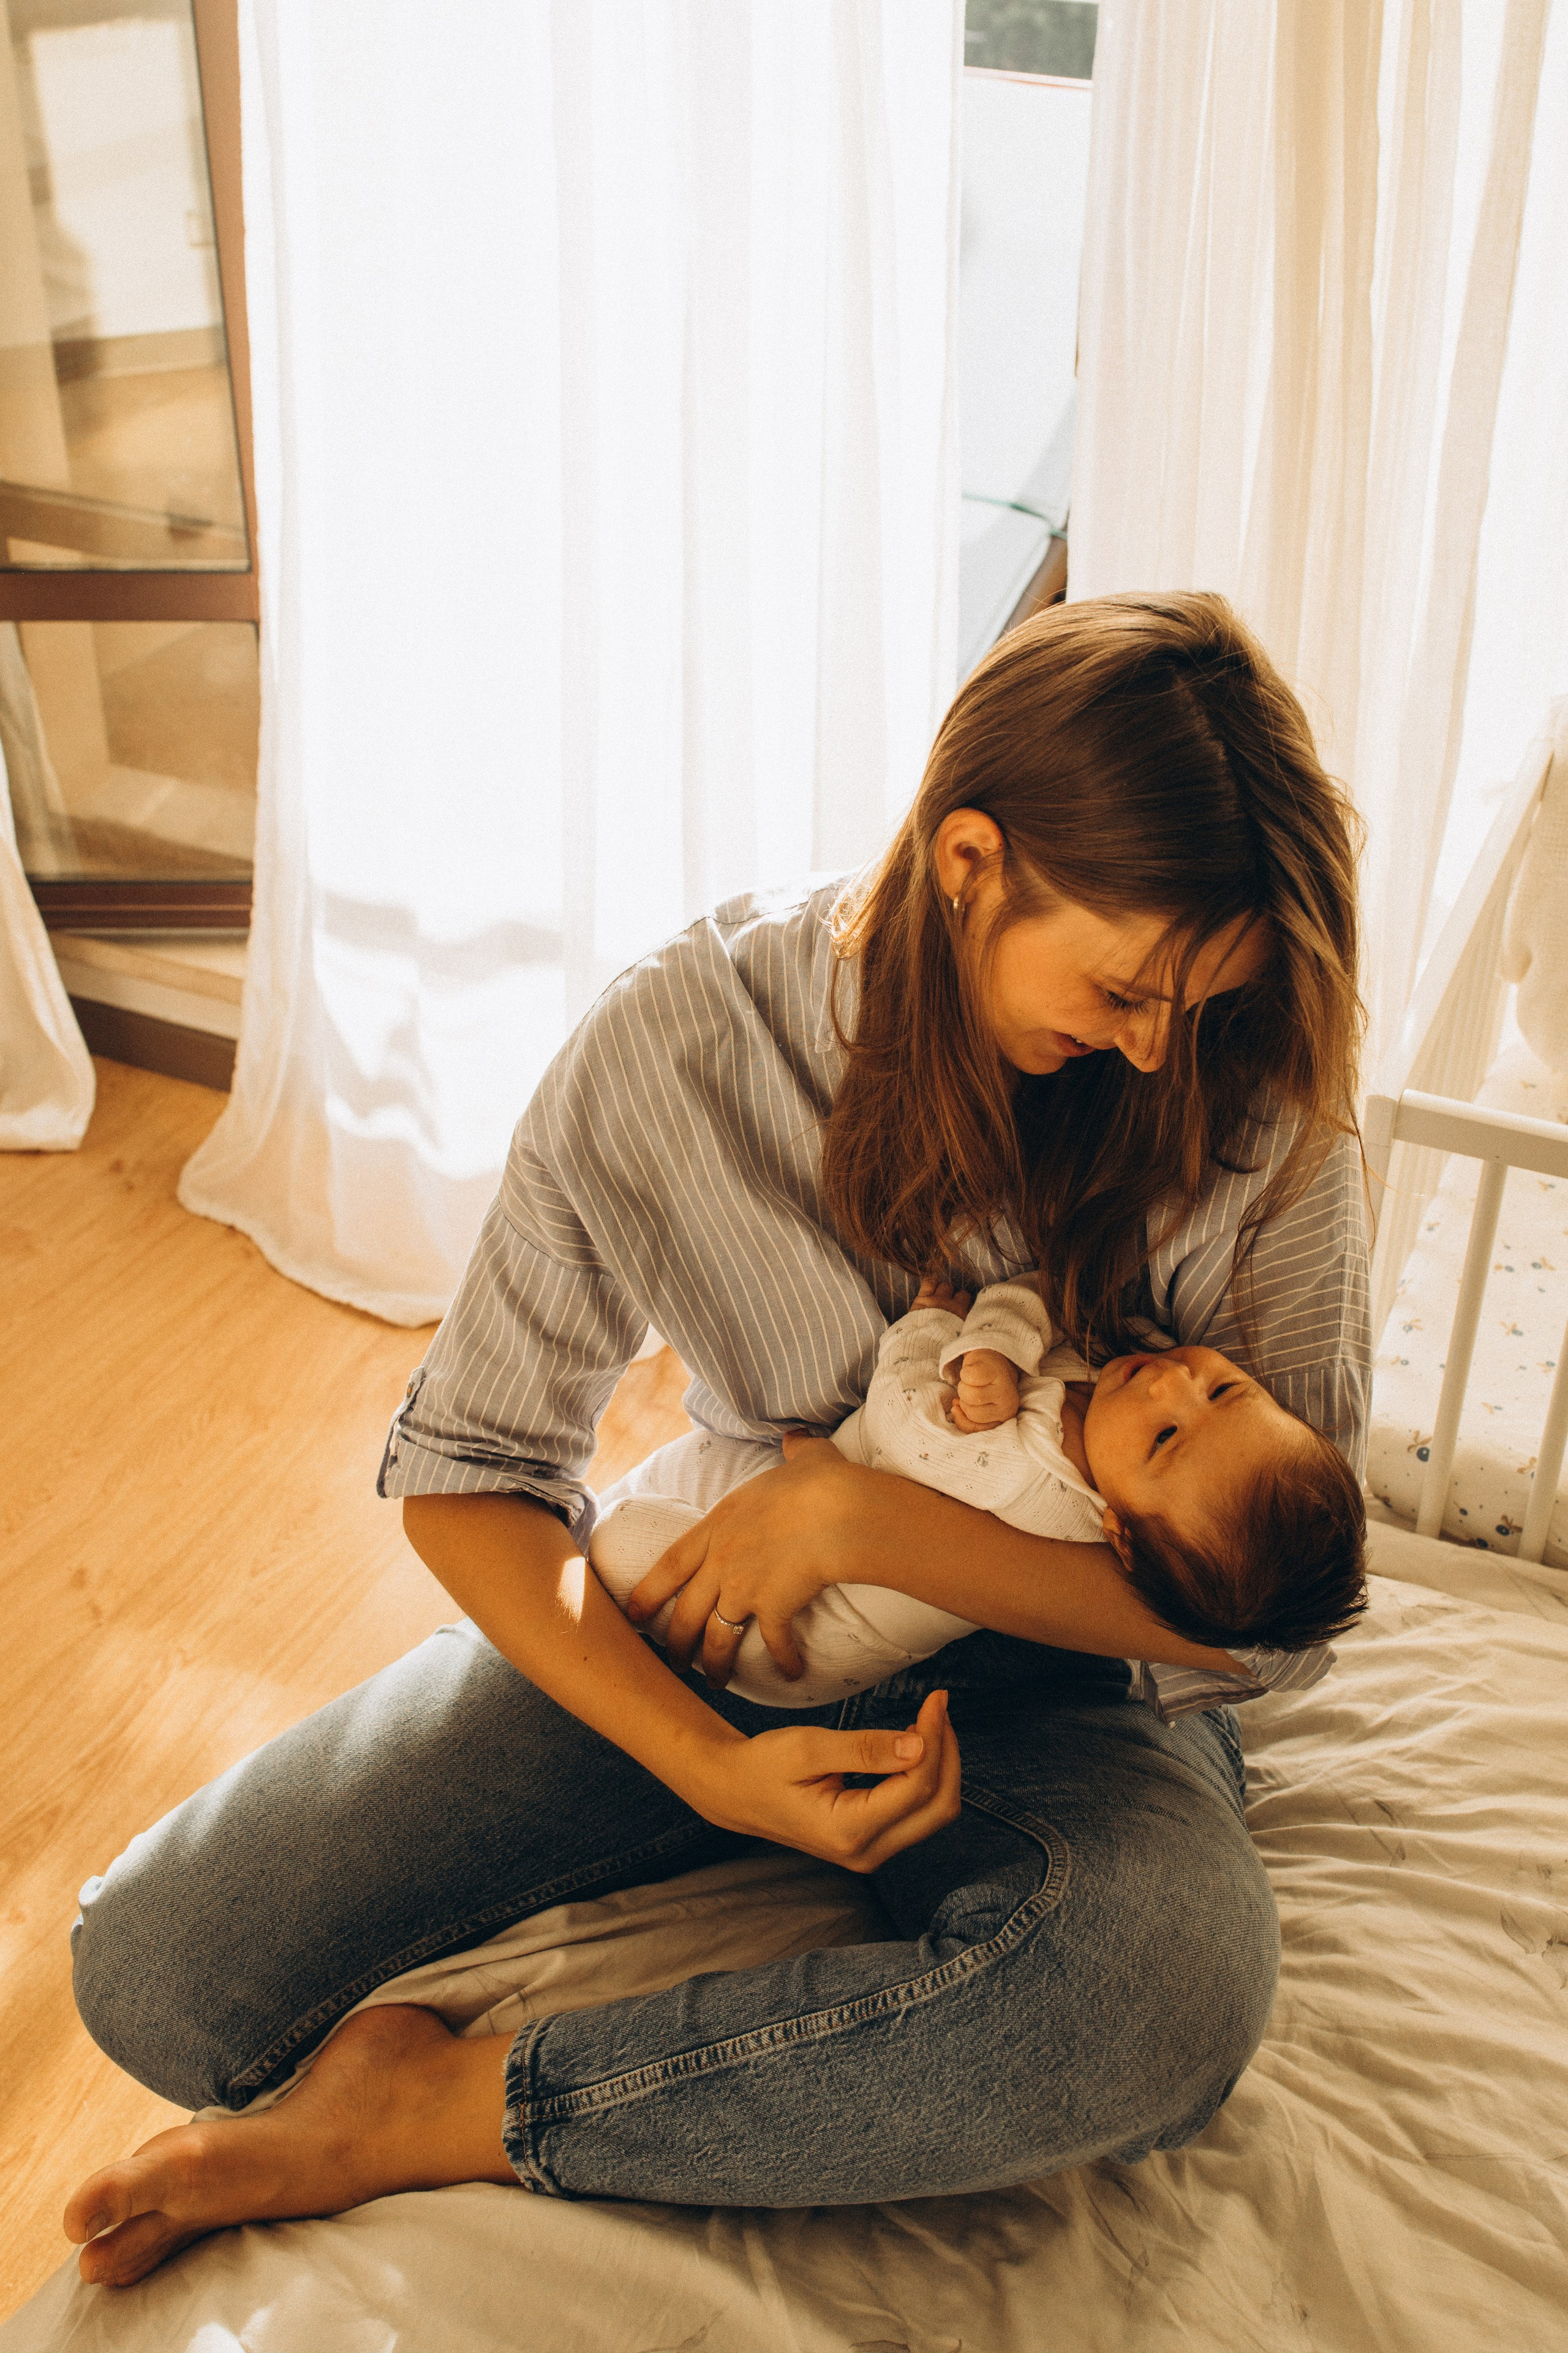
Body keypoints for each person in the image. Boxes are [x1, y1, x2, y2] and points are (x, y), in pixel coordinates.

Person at [64, 591, 1370, 2287]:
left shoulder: (1242, 1091)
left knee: (1149, 2004)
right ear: (969, 861)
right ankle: (686, 1873)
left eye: (1192, 1006)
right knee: (162, 1970)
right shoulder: (681, 1044)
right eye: (1124, 988)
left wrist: (881, 1531)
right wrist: (700, 1758)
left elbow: (1274, 1618)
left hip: (1072, 1688)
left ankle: (443, 2109)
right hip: (715, 1617)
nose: (1151, 1045)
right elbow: (470, 1473)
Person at [589, 1274, 1367, 1710]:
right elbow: (1046, 1304)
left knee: (617, 1537)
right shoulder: (1123, 1411)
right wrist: (1002, 1335)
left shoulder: (1030, 1474)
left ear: (1120, 1534)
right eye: (1225, 1389)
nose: (1172, 1383)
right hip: (809, 1533)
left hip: (797, 1640)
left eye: (1164, 1438)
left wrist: (934, 1323)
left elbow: (904, 1412)